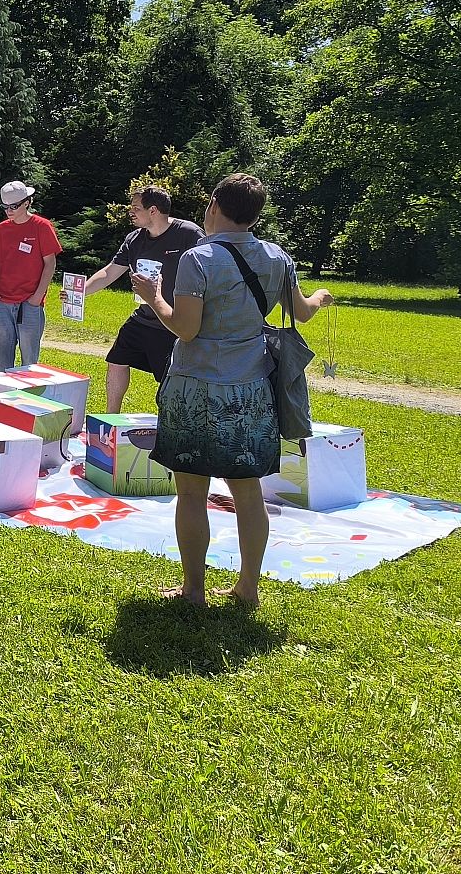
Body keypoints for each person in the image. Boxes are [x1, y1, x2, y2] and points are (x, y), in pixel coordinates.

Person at [130, 174, 333, 610]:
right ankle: (248, 589)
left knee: (191, 493)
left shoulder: (198, 258)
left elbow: (185, 328)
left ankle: (194, 590)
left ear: (215, 205)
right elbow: (302, 312)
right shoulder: (277, 257)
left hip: (194, 389)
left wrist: (152, 296)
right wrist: (320, 296)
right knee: (248, 492)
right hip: (251, 390)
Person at [82, 185, 204, 412]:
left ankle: (170, 423)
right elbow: (110, 272)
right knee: (117, 360)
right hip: (144, 317)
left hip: (174, 322)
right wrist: (80, 291)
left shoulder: (189, 234)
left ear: (153, 210)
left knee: (170, 381)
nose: (131, 212)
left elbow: (208, 271)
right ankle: (111, 420)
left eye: (136, 208)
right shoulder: (134, 239)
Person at [0, 180, 62, 371]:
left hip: (30, 302)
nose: (8, 211)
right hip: (2, 301)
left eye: (13, 206)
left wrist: (37, 296)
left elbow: (50, 263)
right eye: (5, 207)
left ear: (27, 202)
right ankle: (2, 391)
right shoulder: (0, 229)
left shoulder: (42, 226)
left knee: (29, 362)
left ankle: (29, 392)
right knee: (2, 360)